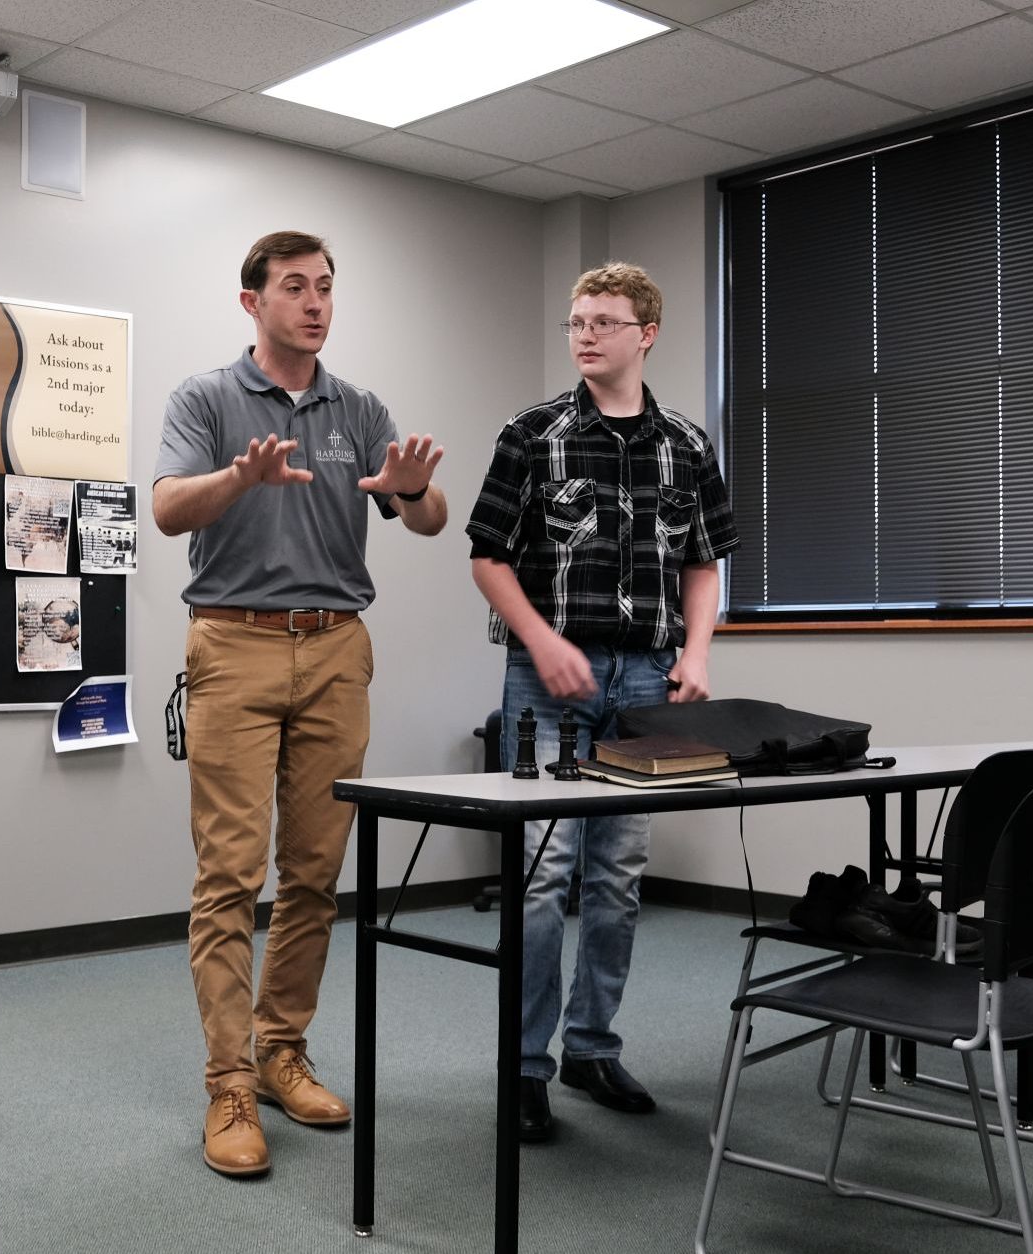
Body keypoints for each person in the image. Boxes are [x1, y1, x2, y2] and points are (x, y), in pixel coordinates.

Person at [152, 230, 448, 1178]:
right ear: (253, 301)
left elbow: (429, 515)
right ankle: (230, 1082)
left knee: (316, 871)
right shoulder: (205, 398)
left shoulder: (356, 406)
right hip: (233, 645)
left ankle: (283, 1052)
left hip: (334, 649)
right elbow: (165, 509)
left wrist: (411, 492)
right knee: (230, 875)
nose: (316, 303)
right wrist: (238, 477)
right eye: (295, 287)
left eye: (325, 287)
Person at [465, 262, 738, 1142]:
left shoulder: (688, 445)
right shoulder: (532, 434)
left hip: (648, 684)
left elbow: (704, 562)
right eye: (575, 322)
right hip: (548, 681)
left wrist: (696, 654)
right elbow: (487, 557)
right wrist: (542, 641)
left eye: (604, 322)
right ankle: (527, 1066)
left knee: (616, 878)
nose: (585, 334)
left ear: (645, 333)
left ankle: (590, 1046)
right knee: (543, 877)